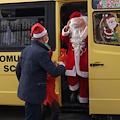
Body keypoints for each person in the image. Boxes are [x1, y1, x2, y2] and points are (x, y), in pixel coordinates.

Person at [15, 23, 66, 120]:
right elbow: (54, 72)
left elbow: (18, 70)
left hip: (27, 91)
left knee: (31, 115)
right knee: (33, 117)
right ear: (42, 38)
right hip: (35, 93)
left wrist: (25, 84)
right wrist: (63, 66)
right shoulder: (41, 52)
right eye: (46, 35)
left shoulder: (26, 49)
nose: (47, 37)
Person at [61, 11, 89, 104]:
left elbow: (90, 40)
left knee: (84, 79)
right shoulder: (71, 32)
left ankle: (83, 98)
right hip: (72, 60)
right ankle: (74, 91)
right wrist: (67, 27)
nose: (77, 27)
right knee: (71, 76)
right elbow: (63, 38)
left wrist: (84, 27)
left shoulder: (87, 30)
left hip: (83, 59)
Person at [41, 44, 60, 120]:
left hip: (47, 89)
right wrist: (58, 68)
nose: (50, 51)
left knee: (44, 109)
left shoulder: (45, 61)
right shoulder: (46, 63)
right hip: (48, 90)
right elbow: (49, 76)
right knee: (56, 110)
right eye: (48, 50)